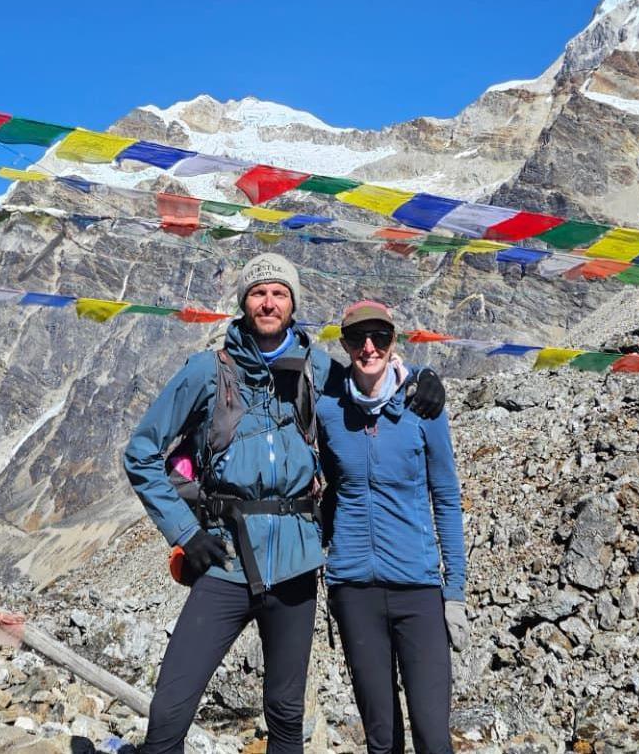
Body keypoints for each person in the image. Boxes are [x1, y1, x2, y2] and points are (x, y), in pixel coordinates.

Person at [123, 255, 445, 754]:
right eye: (257, 292)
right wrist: (186, 534)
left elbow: (374, 379)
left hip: (296, 564)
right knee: (170, 708)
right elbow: (141, 453)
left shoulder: (319, 369)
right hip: (225, 558)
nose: (268, 302)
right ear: (243, 304)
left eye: (279, 292)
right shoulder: (208, 371)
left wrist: (424, 379)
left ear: (293, 304)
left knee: (287, 714)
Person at [316, 300, 467, 754]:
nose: (369, 347)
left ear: (393, 341)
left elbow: (446, 496)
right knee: (381, 738)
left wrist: (454, 590)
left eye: (379, 337)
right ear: (344, 345)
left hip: (418, 589)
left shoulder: (423, 406)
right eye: (358, 338)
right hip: (354, 589)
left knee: (433, 736)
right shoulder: (328, 410)